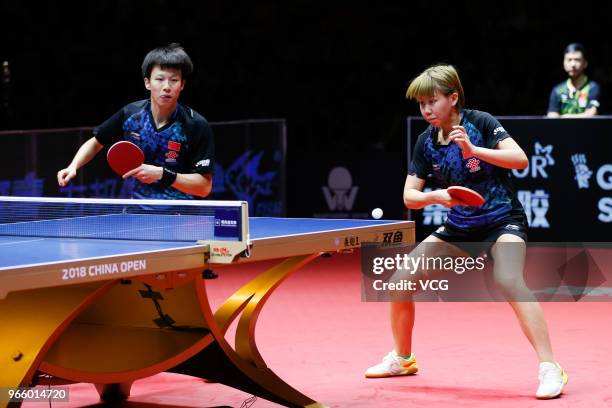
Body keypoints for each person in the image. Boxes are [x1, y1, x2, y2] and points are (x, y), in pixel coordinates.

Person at [365, 64, 568, 399]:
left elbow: (519, 160)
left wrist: (474, 151)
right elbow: (409, 196)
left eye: (432, 101)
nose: (426, 109)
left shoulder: (481, 123)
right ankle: (402, 358)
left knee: (508, 279)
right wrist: (436, 196)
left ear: (453, 97)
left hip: (502, 221)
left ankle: (550, 367)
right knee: (399, 283)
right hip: (459, 226)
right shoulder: (425, 142)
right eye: (421, 104)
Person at [57, 43, 214, 199]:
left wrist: (162, 174)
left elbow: (204, 187)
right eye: (159, 79)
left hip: (182, 215)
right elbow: (96, 142)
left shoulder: (196, 125)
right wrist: (73, 166)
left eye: (173, 80)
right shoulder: (131, 115)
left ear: (182, 85)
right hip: (137, 212)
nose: (166, 87)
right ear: (147, 82)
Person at [547, 43, 601, 118]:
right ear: (563, 63)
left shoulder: (593, 87)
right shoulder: (557, 90)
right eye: (569, 60)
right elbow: (552, 116)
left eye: (577, 60)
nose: (573, 64)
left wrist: (564, 117)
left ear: (585, 63)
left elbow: (591, 114)